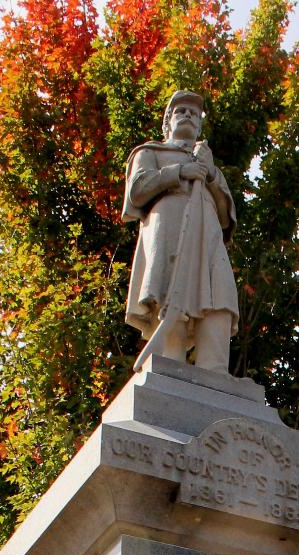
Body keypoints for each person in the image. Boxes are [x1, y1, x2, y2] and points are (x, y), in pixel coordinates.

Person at [121, 90, 239, 373]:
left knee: (219, 294)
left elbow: (226, 216)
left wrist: (209, 174)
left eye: (194, 114)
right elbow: (137, 191)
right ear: (167, 122)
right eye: (180, 111)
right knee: (171, 296)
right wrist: (178, 172)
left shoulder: (208, 164)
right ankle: (169, 367)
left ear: (199, 125)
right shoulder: (150, 152)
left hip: (208, 234)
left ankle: (215, 369)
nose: (187, 115)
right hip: (169, 228)